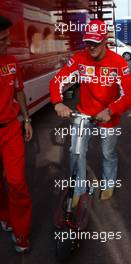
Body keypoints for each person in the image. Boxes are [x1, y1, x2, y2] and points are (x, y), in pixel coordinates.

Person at [50, 20, 131, 207]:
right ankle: (79, 189)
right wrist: (58, 102)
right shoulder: (79, 59)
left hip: (108, 117)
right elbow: (57, 81)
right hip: (83, 115)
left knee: (108, 153)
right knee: (76, 152)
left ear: (106, 41)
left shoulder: (118, 63)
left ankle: (109, 182)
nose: (91, 47)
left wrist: (110, 110)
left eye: (96, 42)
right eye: (88, 42)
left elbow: (129, 95)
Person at [0, 15, 32, 252]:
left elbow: (19, 92)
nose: (7, 42)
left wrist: (27, 119)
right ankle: (5, 215)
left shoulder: (11, 62)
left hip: (10, 128)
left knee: (16, 181)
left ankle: (21, 233)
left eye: (7, 37)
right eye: (2, 39)